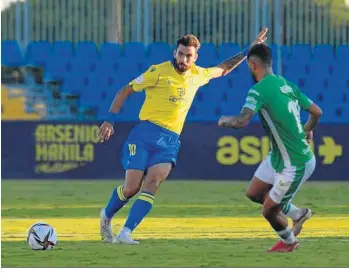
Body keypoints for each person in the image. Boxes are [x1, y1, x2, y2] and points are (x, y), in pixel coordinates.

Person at [97, 29, 268, 244]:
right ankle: (106, 216)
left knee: (153, 182)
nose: (184, 59)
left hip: (169, 140)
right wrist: (110, 119)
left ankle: (126, 232)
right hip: (143, 134)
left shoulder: (198, 74)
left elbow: (222, 69)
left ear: (195, 58)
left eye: (189, 56)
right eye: (181, 54)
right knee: (131, 188)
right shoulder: (157, 71)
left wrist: (247, 51)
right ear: (175, 52)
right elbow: (125, 91)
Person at [218, 43, 323, 252]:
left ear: (253, 64)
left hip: (296, 162)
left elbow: (242, 121)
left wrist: (225, 121)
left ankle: (289, 242)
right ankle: (297, 214)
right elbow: (317, 112)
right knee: (254, 192)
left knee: (268, 211)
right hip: (279, 156)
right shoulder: (287, 85)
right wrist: (308, 129)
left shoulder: (258, 90)